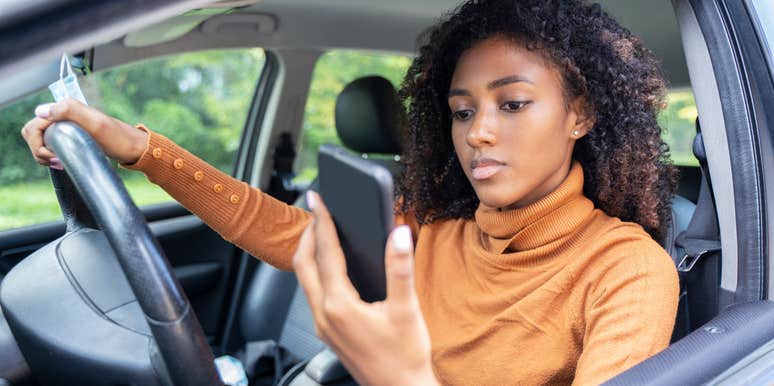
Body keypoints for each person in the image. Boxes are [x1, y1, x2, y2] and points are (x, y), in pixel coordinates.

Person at [20, 0, 680, 384]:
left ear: (580, 114)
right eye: (461, 111)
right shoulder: (435, 225)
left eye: (512, 104)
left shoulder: (626, 271)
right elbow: (284, 231)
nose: (478, 132)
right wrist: (139, 149)